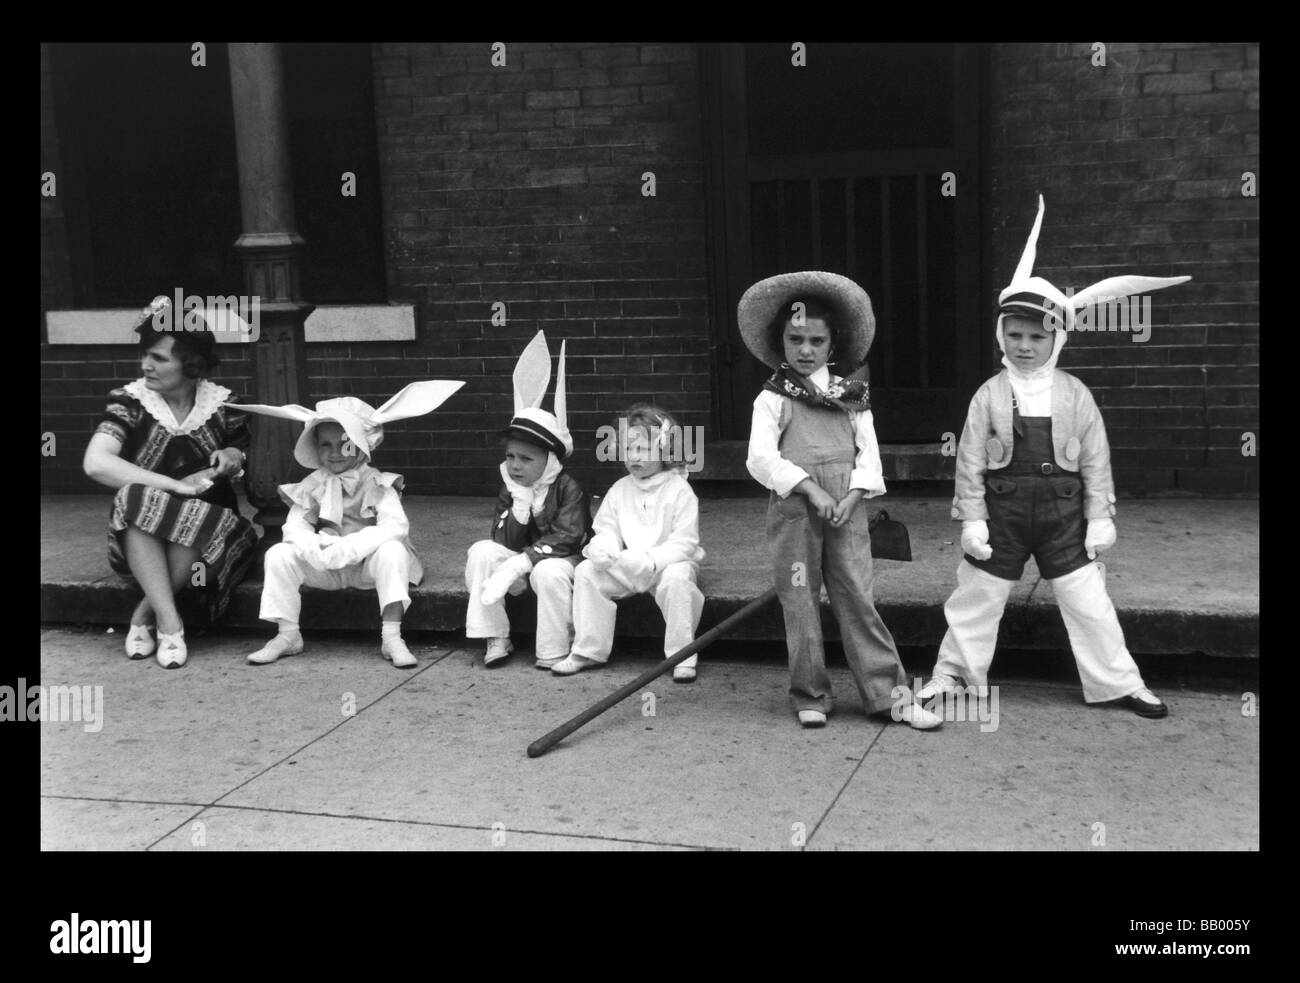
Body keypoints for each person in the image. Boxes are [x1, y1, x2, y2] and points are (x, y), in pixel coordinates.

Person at [920, 195, 1190, 718]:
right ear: (1002, 334)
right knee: (977, 599)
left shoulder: (1075, 395)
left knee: (1089, 602)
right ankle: (952, 675)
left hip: (1064, 517)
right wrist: (972, 519)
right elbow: (970, 461)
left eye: (1037, 337)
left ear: (1057, 338)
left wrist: (1099, 517)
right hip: (1003, 516)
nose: (1024, 346)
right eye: (1014, 335)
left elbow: (1095, 461)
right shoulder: (988, 395)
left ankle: (1119, 681)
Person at [741, 272, 941, 730]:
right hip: (796, 509)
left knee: (856, 596)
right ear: (781, 343)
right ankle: (810, 691)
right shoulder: (772, 399)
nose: (805, 350)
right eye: (795, 340)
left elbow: (868, 454)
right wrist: (810, 488)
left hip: (847, 510)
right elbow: (760, 458)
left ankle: (888, 695)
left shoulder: (852, 398)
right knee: (800, 598)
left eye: (816, 340)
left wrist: (853, 496)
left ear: (833, 346)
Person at [82, 295, 258, 669]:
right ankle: (172, 624)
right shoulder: (129, 403)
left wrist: (231, 458)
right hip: (140, 541)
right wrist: (173, 485)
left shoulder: (225, 406)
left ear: (190, 363)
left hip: (210, 540)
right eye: (145, 354)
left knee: (200, 514)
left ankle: (147, 613)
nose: (146, 365)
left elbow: (239, 454)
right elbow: (96, 462)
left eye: (159, 358)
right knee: (136, 498)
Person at [234, 382, 463, 668]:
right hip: (329, 562)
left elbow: (396, 526)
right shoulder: (313, 484)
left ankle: (392, 636)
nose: (335, 452)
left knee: (393, 551)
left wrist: (353, 546)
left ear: (361, 444)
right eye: (325, 445)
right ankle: (288, 634)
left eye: (345, 443)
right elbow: (295, 527)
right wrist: (316, 548)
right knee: (278, 554)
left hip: (367, 563)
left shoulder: (376, 482)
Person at [551, 403, 706, 681]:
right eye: (629, 449)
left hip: (665, 565)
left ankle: (681, 654)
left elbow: (685, 541)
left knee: (677, 580)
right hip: (629, 562)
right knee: (587, 572)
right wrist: (604, 549)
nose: (634, 457)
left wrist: (653, 561)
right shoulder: (620, 489)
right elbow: (607, 528)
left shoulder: (679, 490)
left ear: (665, 450)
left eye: (644, 450)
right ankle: (588, 649)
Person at [466, 331, 592, 668]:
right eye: (510, 456)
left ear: (550, 461)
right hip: (521, 560)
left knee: (548, 572)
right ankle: (495, 636)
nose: (515, 465)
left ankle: (553, 649)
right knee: (481, 552)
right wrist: (520, 504)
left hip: (560, 559)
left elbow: (569, 537)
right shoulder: (512, 487)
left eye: (526, 458)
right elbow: (501, 539)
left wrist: (522, 563)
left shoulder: (567, 487)